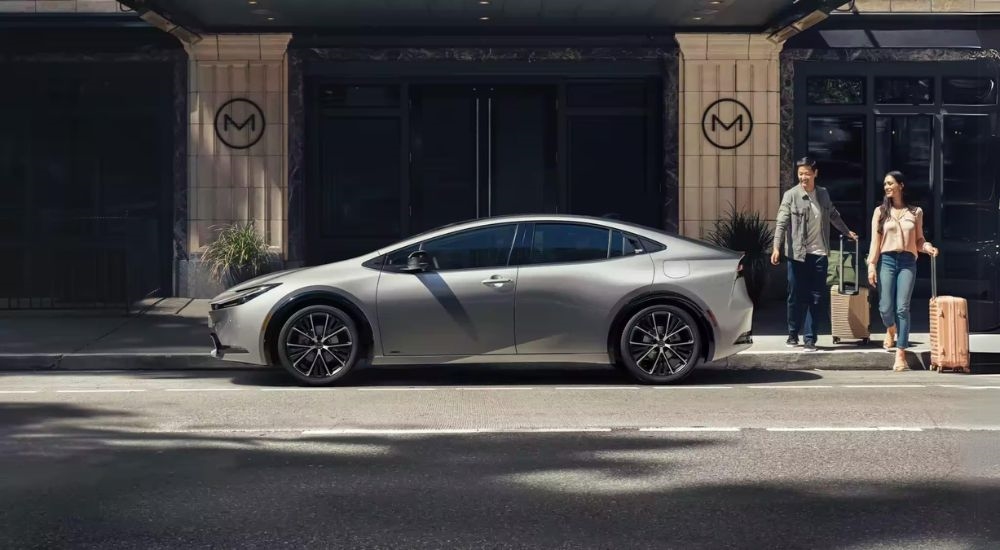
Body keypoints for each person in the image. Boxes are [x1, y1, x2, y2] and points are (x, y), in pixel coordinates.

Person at [771, 157, 859, 352]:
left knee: (816, 296)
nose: (803, 177)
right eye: (800, 173)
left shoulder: (823, 194)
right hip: (797, 255)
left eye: (807, 173)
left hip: (819, 253)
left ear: (815, 174)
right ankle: (793, 333)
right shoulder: (791, 195)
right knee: (795, 295)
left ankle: (810, 338)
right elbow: (781, 222)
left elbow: (833, 215)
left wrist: (846, 231)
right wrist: (776, 247)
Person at [866, 170, 939, 371]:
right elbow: (875, 241)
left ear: (901, 185)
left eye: (890, 183)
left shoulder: (915, 212)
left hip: (908, 261)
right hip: (887, 260)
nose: (887, 187)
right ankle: (891, 328)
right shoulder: (880, 212)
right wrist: (872, 265)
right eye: (885, 185)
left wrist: (927, 247)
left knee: (902, 308)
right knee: (885, 307)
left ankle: (900, 354)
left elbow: (919, 240)